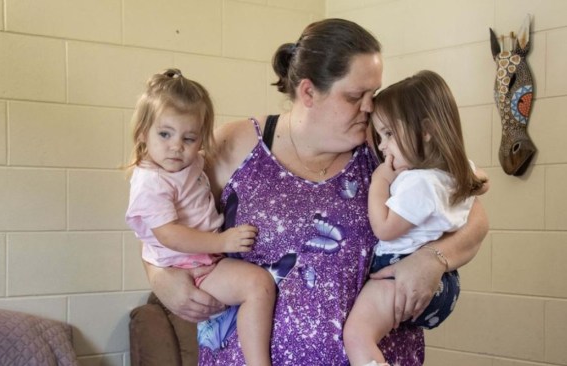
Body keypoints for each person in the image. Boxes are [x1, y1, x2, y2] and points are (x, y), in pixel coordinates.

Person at [144, 19, 489, 365]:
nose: (370, 107)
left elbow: (474, 218)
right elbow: (155, 213)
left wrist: (433, 259)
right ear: (308, 92)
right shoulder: (235, 144)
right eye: (355, 96)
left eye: (374, 93)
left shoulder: (385, 147)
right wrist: (160, 277)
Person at [125, 69, 275, 366]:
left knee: (258, 285)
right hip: (189, 267)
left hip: (203, 261)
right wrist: (221, 240)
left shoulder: (189, 163)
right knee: (257, 285)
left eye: (189, 138)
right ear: (143, 132)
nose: (176, 147)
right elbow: (168, 234)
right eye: (164, 134)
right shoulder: (151, 181)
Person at [343, 70, 490, 366]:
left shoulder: (417, 182)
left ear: (425, 131)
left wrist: (380, 182)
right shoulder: (454, 173)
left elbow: (384, 228)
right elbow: (482, 181)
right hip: (443, 283)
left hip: (399, 275)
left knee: (358, 335)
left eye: (388, 134)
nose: (382, 147)